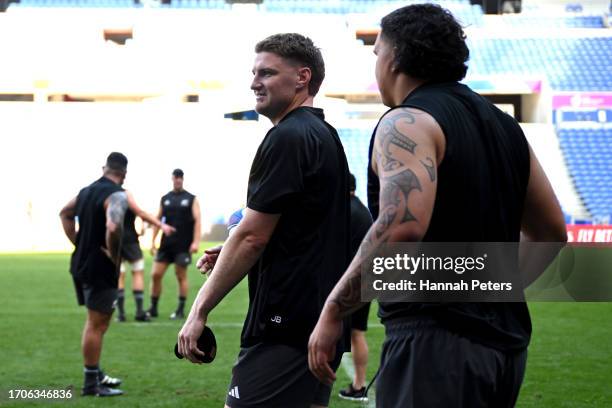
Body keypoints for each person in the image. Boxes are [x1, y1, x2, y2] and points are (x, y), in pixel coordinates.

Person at [308, 4, 567, 408]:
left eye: (377, 52)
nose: (375, 64)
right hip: (505, 348)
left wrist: (333, 309)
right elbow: (551, 231)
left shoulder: (405, 121)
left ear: (394, 56)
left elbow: (400, 229)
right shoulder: (505, 126)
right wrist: (494, 287)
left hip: (436, 343)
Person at [177, 33, 351, 408]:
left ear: (302, 77)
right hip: (314, 322)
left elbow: (252, 237)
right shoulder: (323, 134)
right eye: (254, 73)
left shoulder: (287, 137)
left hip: (285, 326)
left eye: (267, 73)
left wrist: (199, 311)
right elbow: (305, 229)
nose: (255, 82)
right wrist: (235, 246)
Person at [59, 152, 131, 397]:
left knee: (98, 321)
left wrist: (78, 243)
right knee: (96, 324)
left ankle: (96, 372)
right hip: (100, 267)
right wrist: (113, 254)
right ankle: (91, 383)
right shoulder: (118, 195)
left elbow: (65, 213)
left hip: (80, 263)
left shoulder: (85, 192)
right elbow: (113, 227)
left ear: (105, 168)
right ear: (123, 174)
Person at [338, 174, 373, 402]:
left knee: (335, 331)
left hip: (351, 281)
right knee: (357, 332)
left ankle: (316, 382)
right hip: (367, 279)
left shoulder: (345, 212)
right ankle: (359, 384)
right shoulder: (363, 210)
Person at [148, 168, 201, 320]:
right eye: (176, 177)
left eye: (180, 177)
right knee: (155, 274)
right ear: (172, 179)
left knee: (180, 275)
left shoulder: (191, 199)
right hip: (165, 245)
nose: (178, 179)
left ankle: (180, 309)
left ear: (183, 179)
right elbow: (157, 221)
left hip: (183, 245)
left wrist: (196, 242)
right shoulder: (165, 198)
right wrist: (152, 241)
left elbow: (198, 221)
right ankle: (153, 308)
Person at [116, 193, 175, 322]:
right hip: (131, 240)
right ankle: (139, 312)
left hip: (115, 241)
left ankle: (120, 314)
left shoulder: (108, 196)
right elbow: (141, 214)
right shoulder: (126, 195)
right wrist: (160, 225)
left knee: (119, 275)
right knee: (137, 272)